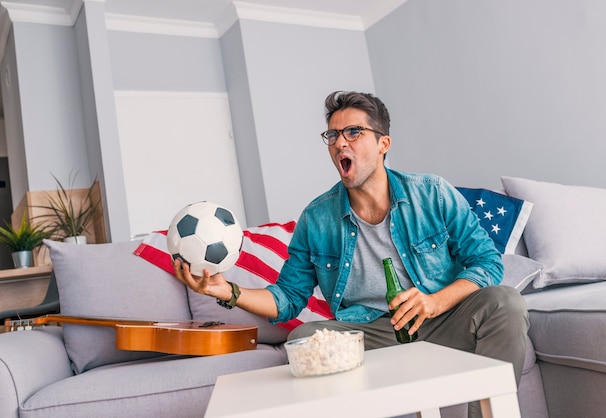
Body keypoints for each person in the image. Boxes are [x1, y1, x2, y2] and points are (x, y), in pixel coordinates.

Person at [174, 91, 528, 417]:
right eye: (333, 135)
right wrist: (229, 292)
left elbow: (486, 262)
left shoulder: (433, 193)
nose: (340, 142)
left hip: (441, 319)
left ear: (383, 143)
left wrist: (434, 302)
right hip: (371, 333)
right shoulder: (316, 218)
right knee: (304, 339)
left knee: (505, 302)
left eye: (354, 132)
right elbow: (287, 298)